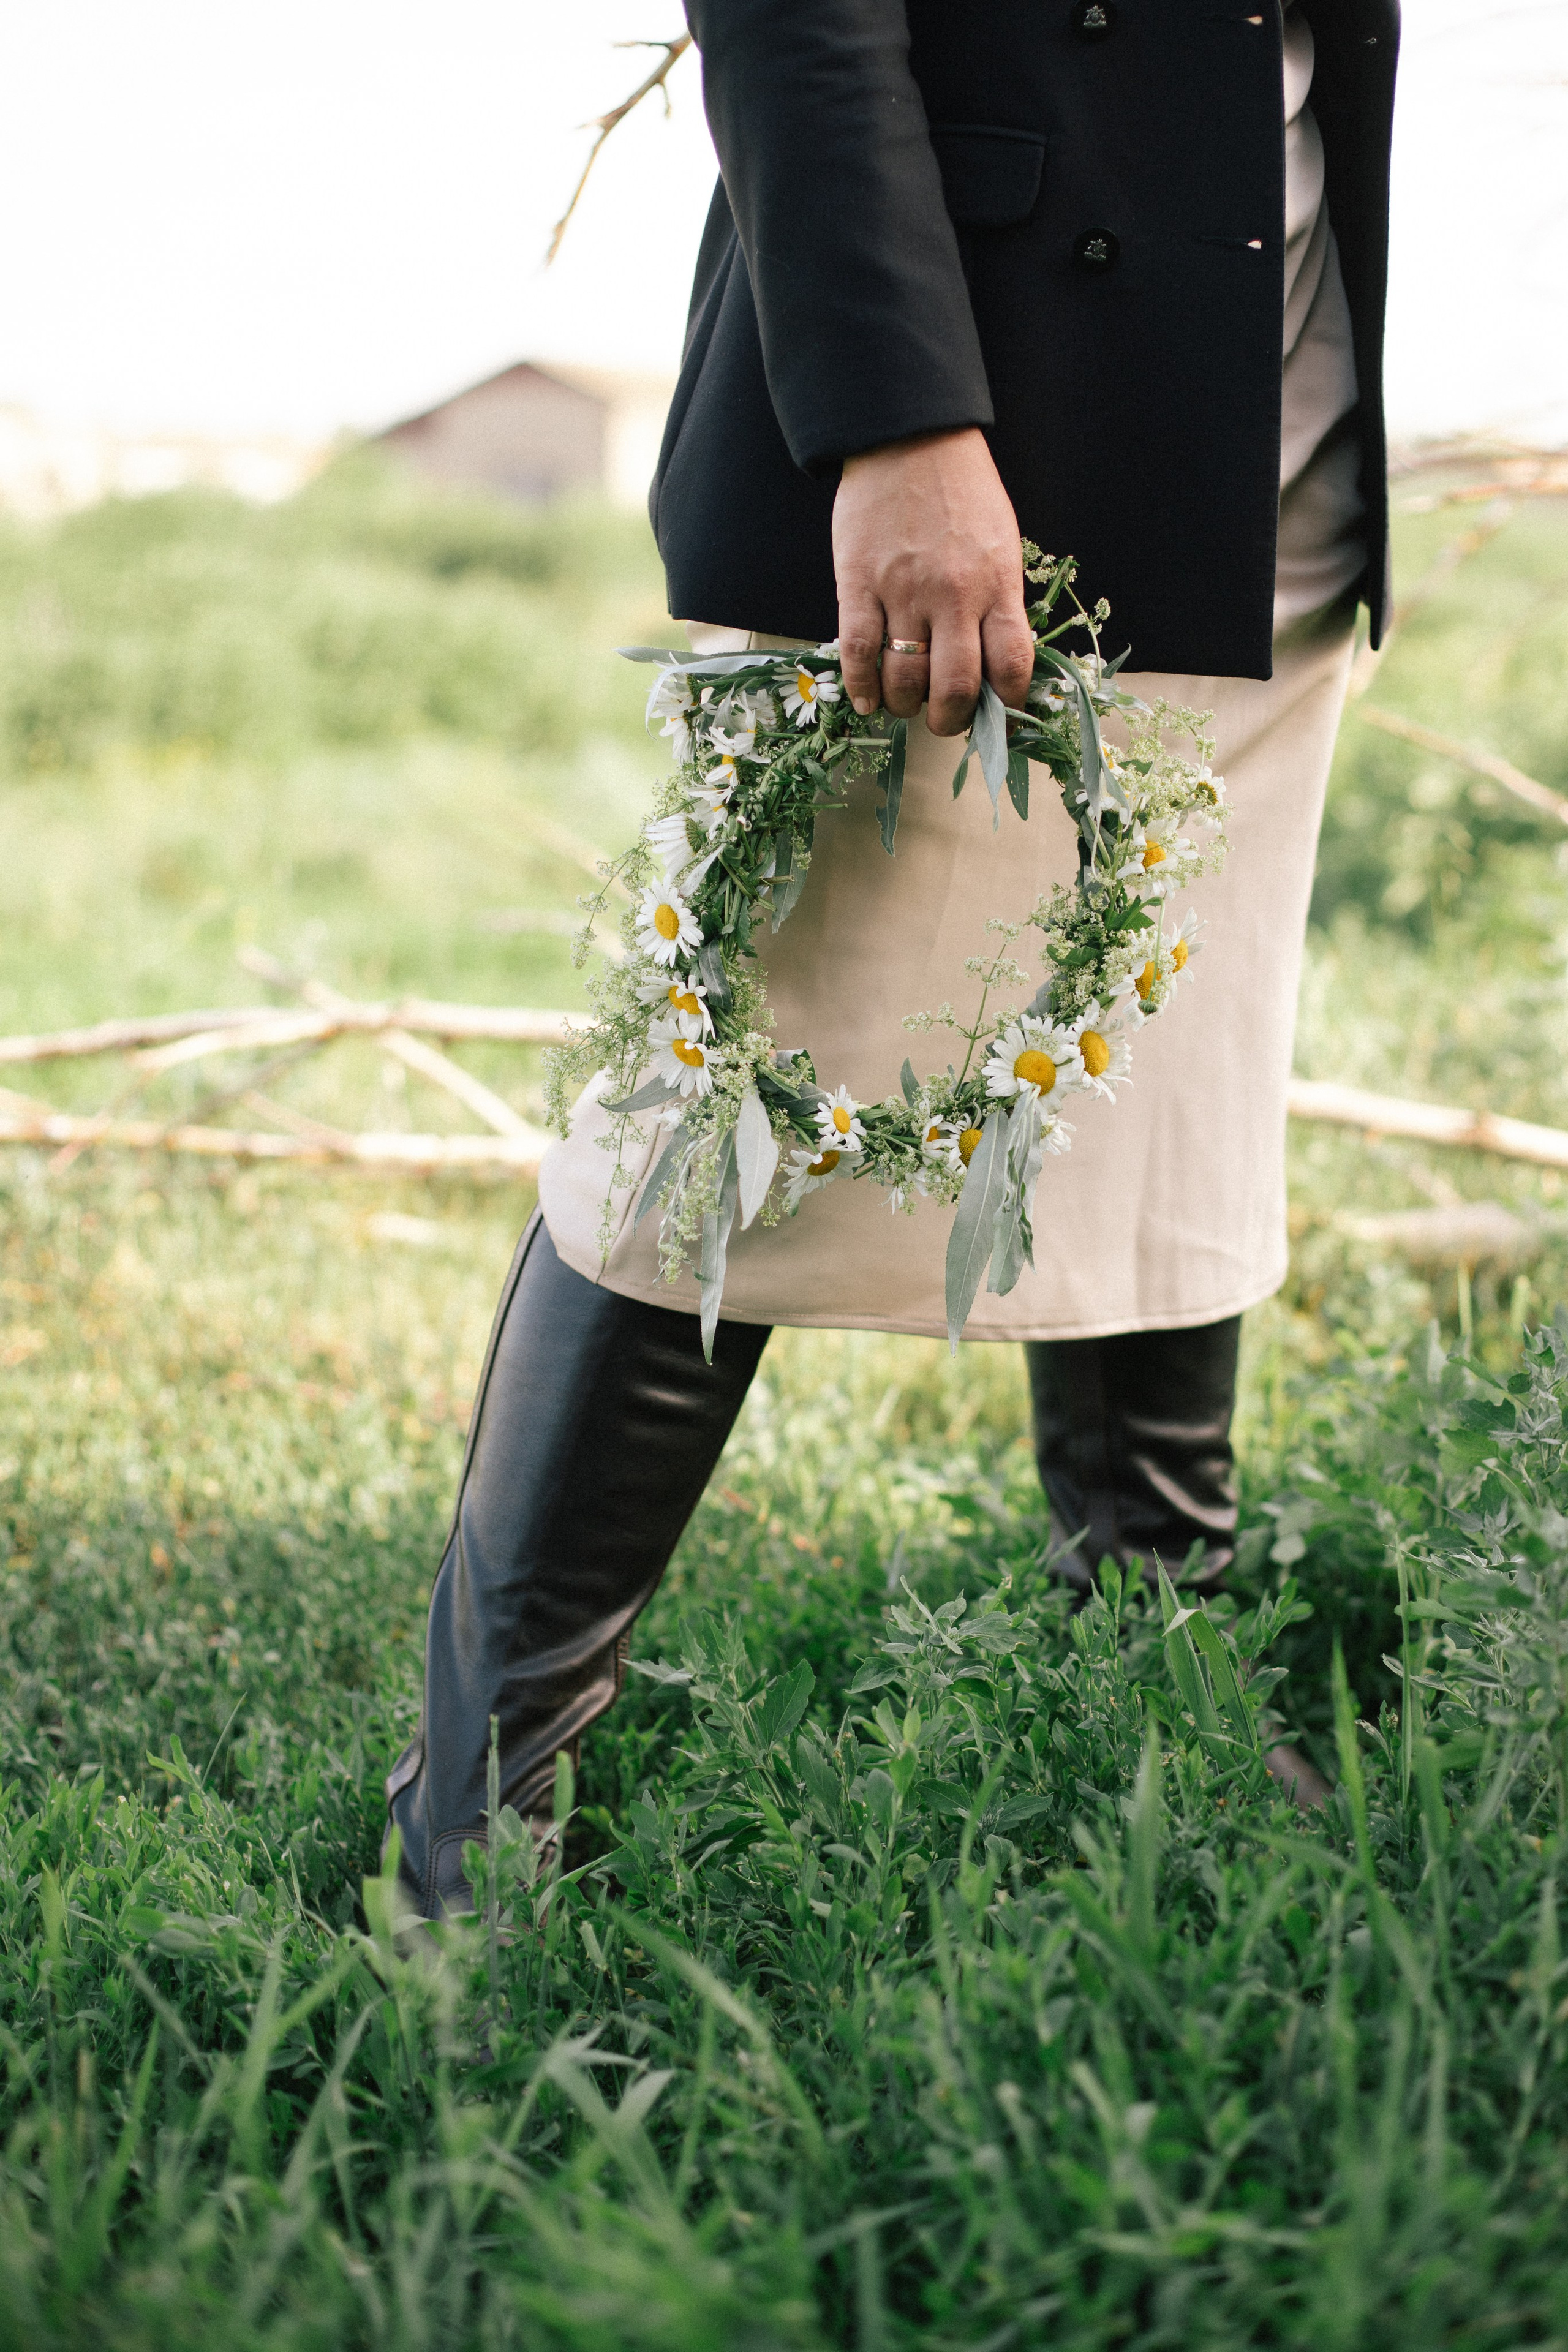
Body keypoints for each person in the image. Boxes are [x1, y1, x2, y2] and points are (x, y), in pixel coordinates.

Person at [385, 0, 1400, 1920]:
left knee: (1162, 1073)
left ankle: (1150, 1676)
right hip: (988, 391)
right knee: (731, 1089)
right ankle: (476, 1799)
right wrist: (899, 426)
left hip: (1267, 398)